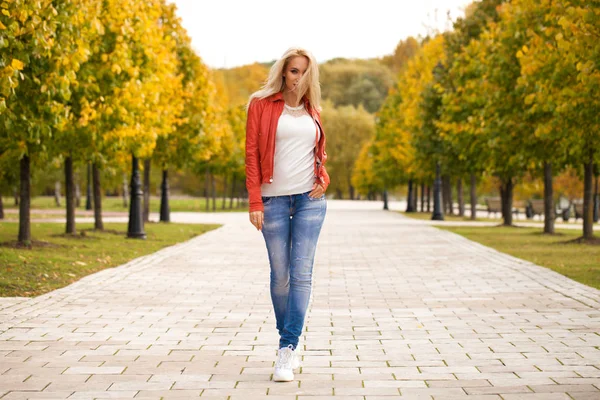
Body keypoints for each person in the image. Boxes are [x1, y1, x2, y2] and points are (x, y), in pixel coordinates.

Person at [245, 47, 330, 382]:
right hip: (273, 201)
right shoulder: (261, 105)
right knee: (280, 275)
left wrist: (325, 178)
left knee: (302, 273)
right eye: (294, 71)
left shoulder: (315, 110)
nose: (298, 78)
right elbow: (251, 153)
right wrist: (255, 201)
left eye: (304, 73)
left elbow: (319, 153)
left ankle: (287, 348)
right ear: (283, 72)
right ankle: (288, 337)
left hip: (310, 199)